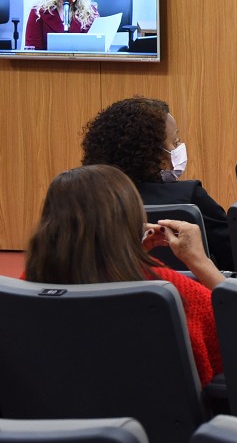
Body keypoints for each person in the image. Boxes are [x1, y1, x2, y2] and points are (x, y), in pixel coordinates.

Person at [23, 164, 223, 385]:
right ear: (131, 218)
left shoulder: (24, 289)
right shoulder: (172, 291)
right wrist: (200, 262)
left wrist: (127, 258)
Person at [80, 96, 234, 272]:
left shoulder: (83, 198)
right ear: (152, 153)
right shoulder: (190, 197)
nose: (179, 147)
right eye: (175, 142)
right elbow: (235, 256)